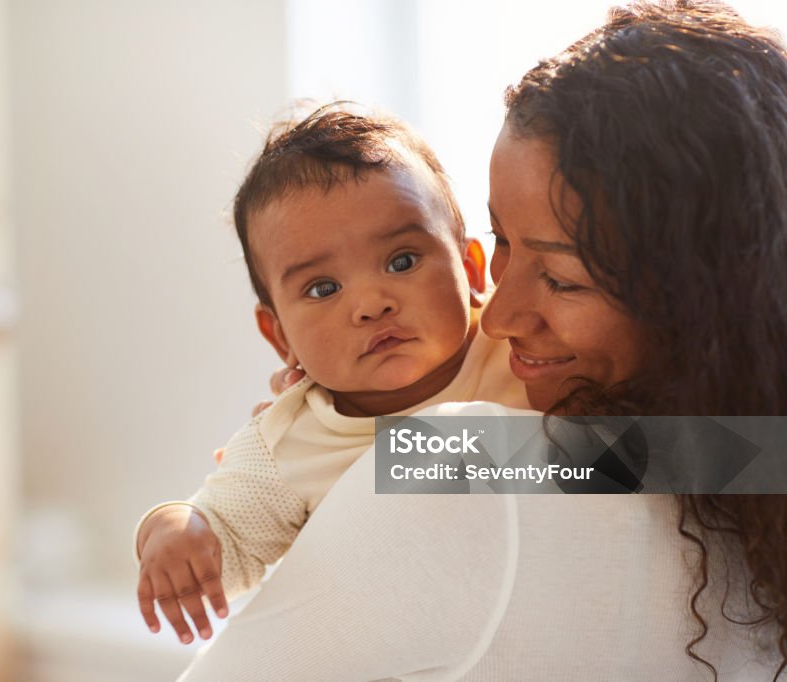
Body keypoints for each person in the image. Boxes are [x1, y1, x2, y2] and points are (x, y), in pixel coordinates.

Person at [177, 2, 787, 679]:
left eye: (560, 277)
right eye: (503, 242)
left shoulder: (447, 462)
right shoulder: (750, 479)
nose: (494, 315)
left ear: (704, 298)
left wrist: (382, 454)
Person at [134, 104, 529, 645]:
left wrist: (422, 457)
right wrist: (172, 528)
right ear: (280, 337)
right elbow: (227, 543)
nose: (370, 304)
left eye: (402, 261)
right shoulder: (289, 439)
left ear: (471, 270)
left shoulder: (522, 348)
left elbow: (642, 457)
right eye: (322, 288)